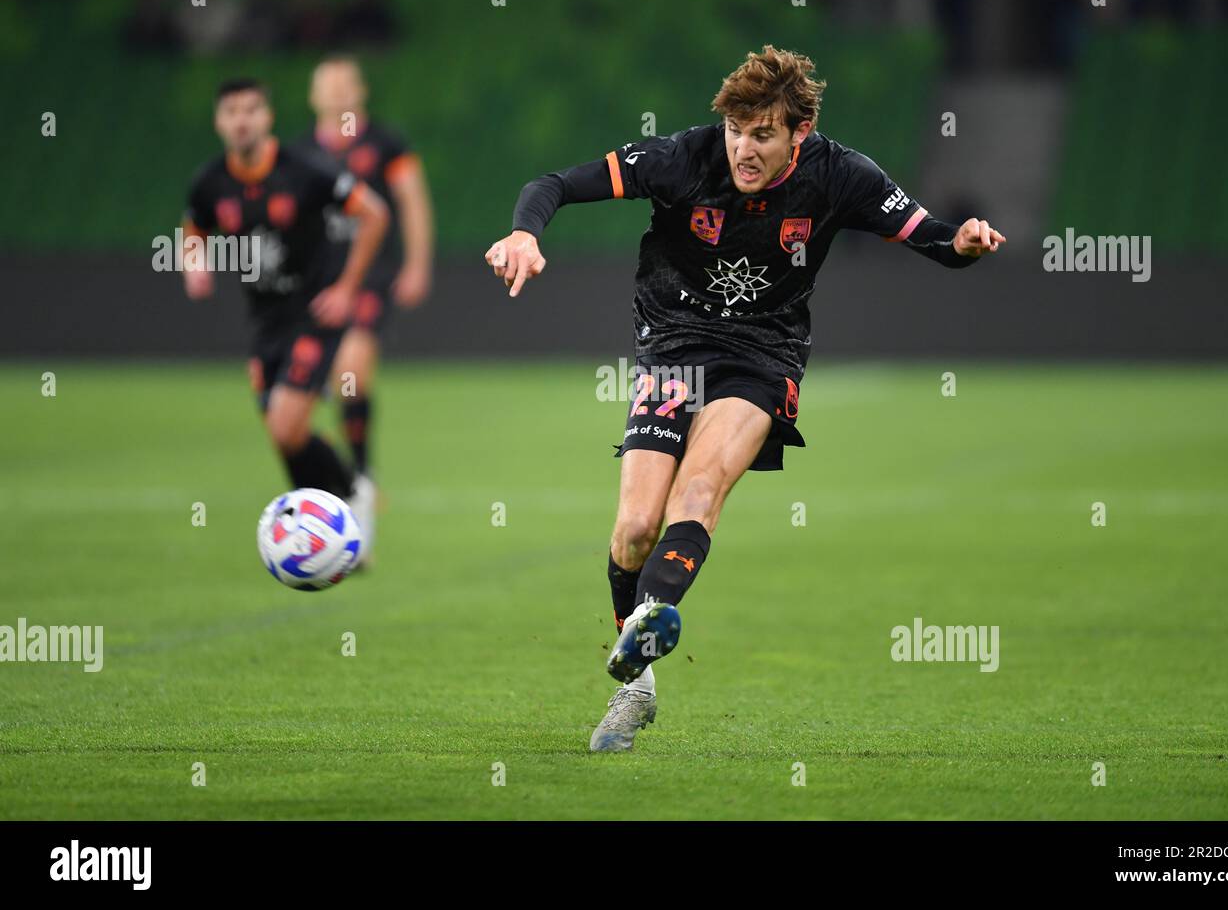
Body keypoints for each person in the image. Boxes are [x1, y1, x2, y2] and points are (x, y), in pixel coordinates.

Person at [485, 46, 1005, 752]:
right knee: (635, 530)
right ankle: (637, 688)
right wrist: (524, 232)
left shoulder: (840, 174)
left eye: (763, 134)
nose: (744, 148)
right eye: (737, 130)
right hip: (671, 346)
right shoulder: (683, 158)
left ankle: (655, 617)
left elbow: (929, 237)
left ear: (800, 131)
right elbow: (553, 184)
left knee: (697, 493)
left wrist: (965, 242)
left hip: (762, 355)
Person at [183, 77, 389, 538]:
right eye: (232, 111)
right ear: (219, 121)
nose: (241, 120)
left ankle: (338, 515)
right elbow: (194, 227)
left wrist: (347, 287)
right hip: (265, 322)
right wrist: (193, 265)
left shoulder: (305, 170)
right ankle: (342, 504)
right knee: (288, 437)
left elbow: (374, 213)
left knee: (284, 424)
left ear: (268, 117)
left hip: (315, 313)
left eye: (251, 110)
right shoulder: (211, 182)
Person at [294, 56, 435, 562]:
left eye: (344, 84)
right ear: (313, 96)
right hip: (314, 285)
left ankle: (360, 479)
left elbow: (413, 202)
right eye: (326, 85)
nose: (336, 94)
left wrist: (417, 263)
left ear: (361, 90)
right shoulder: (300, 153)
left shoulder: (386, 145)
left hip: (369, 278)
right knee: (307, 395)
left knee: (351, 368)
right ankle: (341, 487)